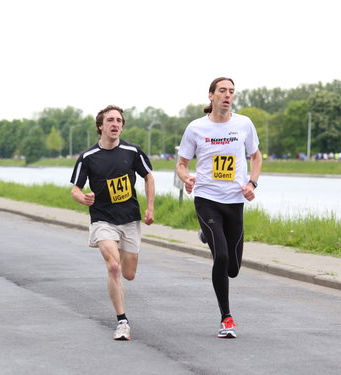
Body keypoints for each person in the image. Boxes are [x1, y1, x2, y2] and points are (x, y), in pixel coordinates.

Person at [176, 77, 262, 339]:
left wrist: (252, 183)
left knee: (233, 268)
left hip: (234, 201)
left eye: (231, 92)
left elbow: (256, 156)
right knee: (221, 257)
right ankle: (226, 317)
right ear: (211, 96)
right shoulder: (196, 128)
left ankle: (206, 235)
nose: (227, 95)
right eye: (222, 91)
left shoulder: (244, 124)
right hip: (207, 198)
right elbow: (181, 164)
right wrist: (186, 178)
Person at [70, 105, 155, 341]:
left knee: (129, 274)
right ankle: (122, 321)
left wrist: (149, 207)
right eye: (110, 120)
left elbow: (148, 176)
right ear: (101, 126)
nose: (115, 124)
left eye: (119, 120)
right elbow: (75, 189)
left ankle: (119, 282)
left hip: (129, 218)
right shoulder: (88, 157)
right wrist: (83, 198)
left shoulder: (132, 151)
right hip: (102, 219)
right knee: (114, 267)